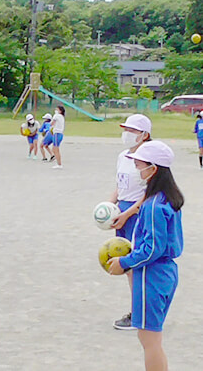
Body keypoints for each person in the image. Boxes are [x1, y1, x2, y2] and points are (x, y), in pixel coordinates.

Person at [108, 140, 183, 371]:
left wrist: (124, 262)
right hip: (165, 272)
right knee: (151, 338)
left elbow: (151, 249)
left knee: (149, 339)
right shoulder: (167, 198)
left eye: (140, 165)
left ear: (153, 169)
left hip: (152, 275)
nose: (137, 170)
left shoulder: (152, 206)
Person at [108, 114, 152, 330]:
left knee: (137, 264)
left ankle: (140, 314)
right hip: (122, 213)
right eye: (126, 129)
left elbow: (149, 193)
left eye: (132, 131)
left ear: (144, 135)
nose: (127, 134)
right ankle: (137, 310)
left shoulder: (149, 159)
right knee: (127, 265)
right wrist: (109, 206)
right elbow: (120, 186)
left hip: (137, 214)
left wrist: (127, 214)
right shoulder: (123, 156)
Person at [50, 105, 66, 169]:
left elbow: (52, 123)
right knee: (54, 149)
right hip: (59, 133)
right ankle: (58, 162)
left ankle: (59, 164)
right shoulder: (62, 117)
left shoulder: (57, 116)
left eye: (57, 109)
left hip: (57, 133)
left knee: (56, 149)